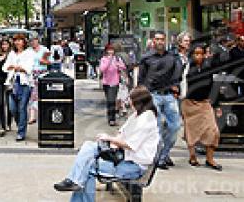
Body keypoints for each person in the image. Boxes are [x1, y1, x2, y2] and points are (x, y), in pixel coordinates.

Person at [53, 86, 160, 201]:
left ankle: (74, 181)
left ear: (139, 102)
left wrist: (110, 139)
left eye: (131, 99)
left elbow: (130, 145)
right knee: (88, 146)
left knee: (87, 167)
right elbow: (122, 131)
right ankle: (74, 181)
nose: (128, 101)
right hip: (124, 157)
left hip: (134, 167)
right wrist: (114, 141)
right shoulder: (137, 115)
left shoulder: (146, 119)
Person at [138, 31, 181, 169]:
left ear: (165, 40)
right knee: (157, 127)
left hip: (169, 95)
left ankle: (164, 153)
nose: (160, 42)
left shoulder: (172, 57)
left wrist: (176, 87)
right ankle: (159, 158)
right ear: (153, 41)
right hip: (153, 95)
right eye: (157, 39)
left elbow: (178, 74)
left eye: (162, 39)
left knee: (175, 126)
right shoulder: (146, 58)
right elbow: (141, 79)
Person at [181, 43, 222, 170]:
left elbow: (215, 86)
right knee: (191, 131)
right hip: (189, 103)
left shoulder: (209, 67)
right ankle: (192, 156)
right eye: (196, 54)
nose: (198, 56)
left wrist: (217, 105)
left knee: (213, 131)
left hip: (204, 103)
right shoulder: (186, 67)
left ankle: (210, 159)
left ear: (205, 55)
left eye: (201, 54)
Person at [3, 33, 34, 141]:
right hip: (12, 83)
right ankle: (21, 123)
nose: (17, 42)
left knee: (22, 108)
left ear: (24, 42)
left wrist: (18, 68)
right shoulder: (12, 53)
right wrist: (13, 67)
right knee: (12, 108)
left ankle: (21, 132)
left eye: (20, 40)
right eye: (16, 40)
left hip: (24, 84)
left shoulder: (29, 53)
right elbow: (5, 67)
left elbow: (29, 68)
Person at [99, 44, 126, 126]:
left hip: (114, 83)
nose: (111, 51)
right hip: (106, 83)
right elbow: (102, 69)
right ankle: (110, 117)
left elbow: (123, 67)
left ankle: (112, 119)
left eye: (112, 50)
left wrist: (118, 65)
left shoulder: (117, 58)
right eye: (109, 50)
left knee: (112, 101)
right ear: (106, 51)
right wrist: (109, 61)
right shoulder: (104, 59)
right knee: (109, 101)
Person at [28, 37, 51, 124]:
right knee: (33, 95)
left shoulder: (45, 50)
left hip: (42, 74)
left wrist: (44, 61)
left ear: (38, 40)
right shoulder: (28, 51)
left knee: (42, 95)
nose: (33, 42)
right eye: (31, 41)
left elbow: (50, 61)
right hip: (31, 74)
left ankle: (42, 115)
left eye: (35, 40)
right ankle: (32, 115)